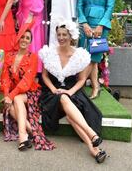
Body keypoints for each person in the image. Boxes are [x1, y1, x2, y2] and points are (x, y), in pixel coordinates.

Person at [39, 19, 107, 163]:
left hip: (72, 91)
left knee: (71, 116)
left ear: (71, 36)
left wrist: (70, 92)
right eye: (59, 35)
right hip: (51, 93)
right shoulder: (49, 52)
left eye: (64, 34)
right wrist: (53, 89)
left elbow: (82, 80)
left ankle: (94, 149)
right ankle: (92, 134)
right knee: (62, 98)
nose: (61, 38)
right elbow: (44, 76)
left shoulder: (79, 55)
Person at [1, 21, 55, 151]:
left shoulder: (33, 57)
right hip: (14, 93)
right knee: (11, 108)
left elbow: (26, 82)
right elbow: (5, 78)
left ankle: (22, 136)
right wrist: (7, 95)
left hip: (31, 92)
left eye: (27, 38)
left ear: (30, 42)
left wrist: (11, 96)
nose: (24, 40)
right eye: (22, 37)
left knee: (18, 99)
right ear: (18, 38)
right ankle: (31, 131)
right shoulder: (9, 56)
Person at [77, 0, 115, 99]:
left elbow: (110, 7)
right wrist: (84, 24)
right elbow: (79, 7)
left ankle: (79, 86)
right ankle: (96, 87)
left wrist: (100, 25)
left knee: (94, 57)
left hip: (100, 26)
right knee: (86, 57)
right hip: (85, 26)